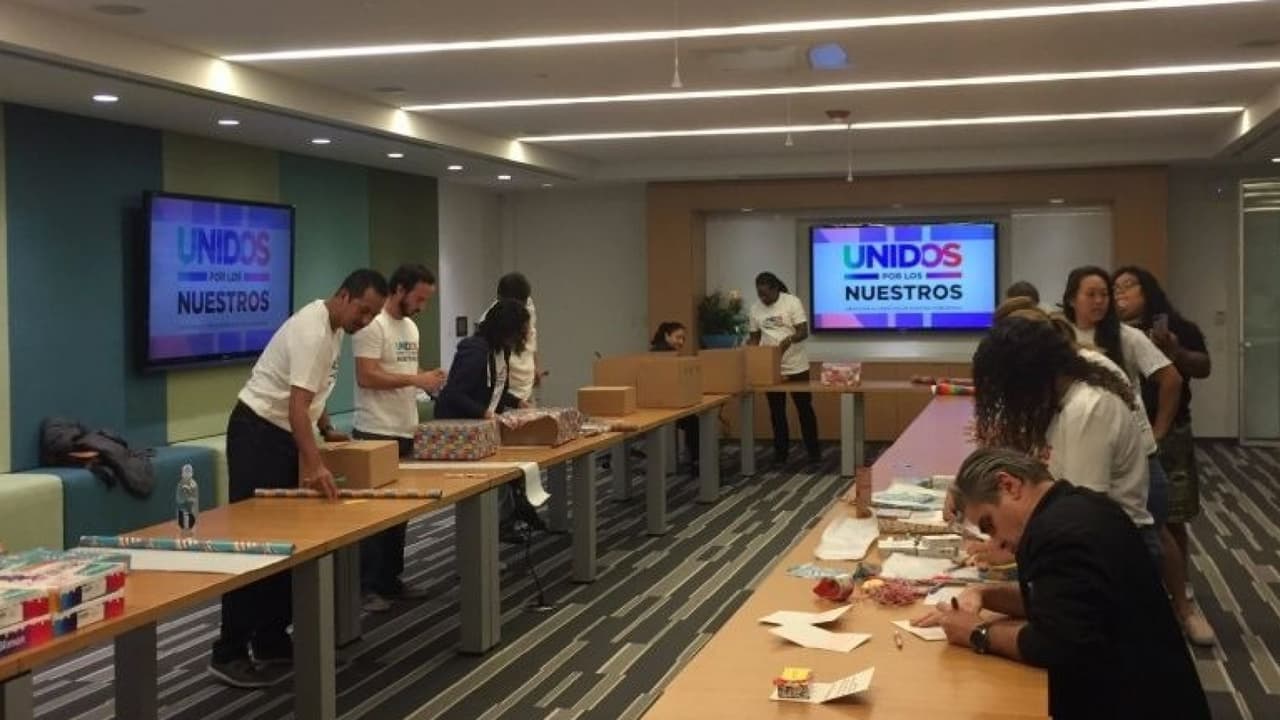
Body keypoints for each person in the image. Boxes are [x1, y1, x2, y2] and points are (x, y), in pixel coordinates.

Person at [914, 448, 1210, 720]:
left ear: (1009, 485)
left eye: (989, 525)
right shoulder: (1077, 505)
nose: (997, 541)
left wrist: (977, 633)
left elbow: (1057, 644)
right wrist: (985, 593)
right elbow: (1061, 602)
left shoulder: (1059, 534)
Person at [208, 269, 388, 688]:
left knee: (286, 543)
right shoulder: (312, 331)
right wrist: (316, 464)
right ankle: (228, 650)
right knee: (253, 543)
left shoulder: (334, 328)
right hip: (259, 433)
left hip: (282, 434)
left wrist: (326, 428)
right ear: (343, 296)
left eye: (372, 315)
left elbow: (312, 396)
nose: (365, 321)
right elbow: (295, 407)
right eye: (363, 311)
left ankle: (270, 638)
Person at [972, 316, 1160, 558]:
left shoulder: (1089, 407)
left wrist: (1017, 551)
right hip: (1085, 539)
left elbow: (1080, 511)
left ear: (1028, 378)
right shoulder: (1056, 403)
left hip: (1112, 549)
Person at [1114, 265, 1216, 645]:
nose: (1120, 294)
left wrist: (1176, 351)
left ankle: (1182, 594)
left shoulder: (1176, 327)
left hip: (1168, 432)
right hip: (1125, 435)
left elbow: (1202, 368)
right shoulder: (1112, 334)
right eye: (1115, 288)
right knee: (1135, 515)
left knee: (1171, 516)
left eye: (1129, 286)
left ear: (1148, 291)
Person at [351, 263, 447, 613]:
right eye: (419, 298)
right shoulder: (372, 324)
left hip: (405, 428)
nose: (422, 306)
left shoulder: (410, 327)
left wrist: (427, 378)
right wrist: (415, 380)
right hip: (375, 430)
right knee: (374, 516)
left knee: (400, 512)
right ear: (400, 289)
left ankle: (390, 580)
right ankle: (365, 587)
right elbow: (367, 376)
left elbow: (404, 372)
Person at [435, 300, 538, 538]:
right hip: (461, 428)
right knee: (488, 482)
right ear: (508, 329)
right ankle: (495, 529)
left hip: (483, 426)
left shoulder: (503, 349)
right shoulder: (475, 350)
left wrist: (518, 403)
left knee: (510, 472)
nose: (524, 337)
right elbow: (454, 394)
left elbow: (496, 388)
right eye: (521, 331)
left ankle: (508, 519)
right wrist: (484, 413)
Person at [747, 272, 819, 466]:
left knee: (804, 409)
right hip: (771, 368)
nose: (762, 298)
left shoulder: (791, 302)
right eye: (759, 294)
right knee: (776, 412)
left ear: (775, 289)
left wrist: (788, 340)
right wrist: (750, 355)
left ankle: (814, 453)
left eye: (765, 294)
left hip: (796, 366)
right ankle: (781, 454)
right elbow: (754, 338)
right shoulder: (755, 309)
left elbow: (803, 331)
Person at [651, 321, 700, 474]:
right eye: (678, 337)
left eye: (683, 338)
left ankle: (692, 458)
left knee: (692, 419)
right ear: (666, 336)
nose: (681, 342)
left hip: (663, 404)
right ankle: (697, 460)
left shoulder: (660, 353)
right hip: (662, 407)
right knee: (693, 421)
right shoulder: (663, 356)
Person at [490, 272, 541, 406]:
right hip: (509, 391)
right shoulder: (492, 320)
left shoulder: (528, 305)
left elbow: (531, 336)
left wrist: (535, 367)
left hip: (527, 388)